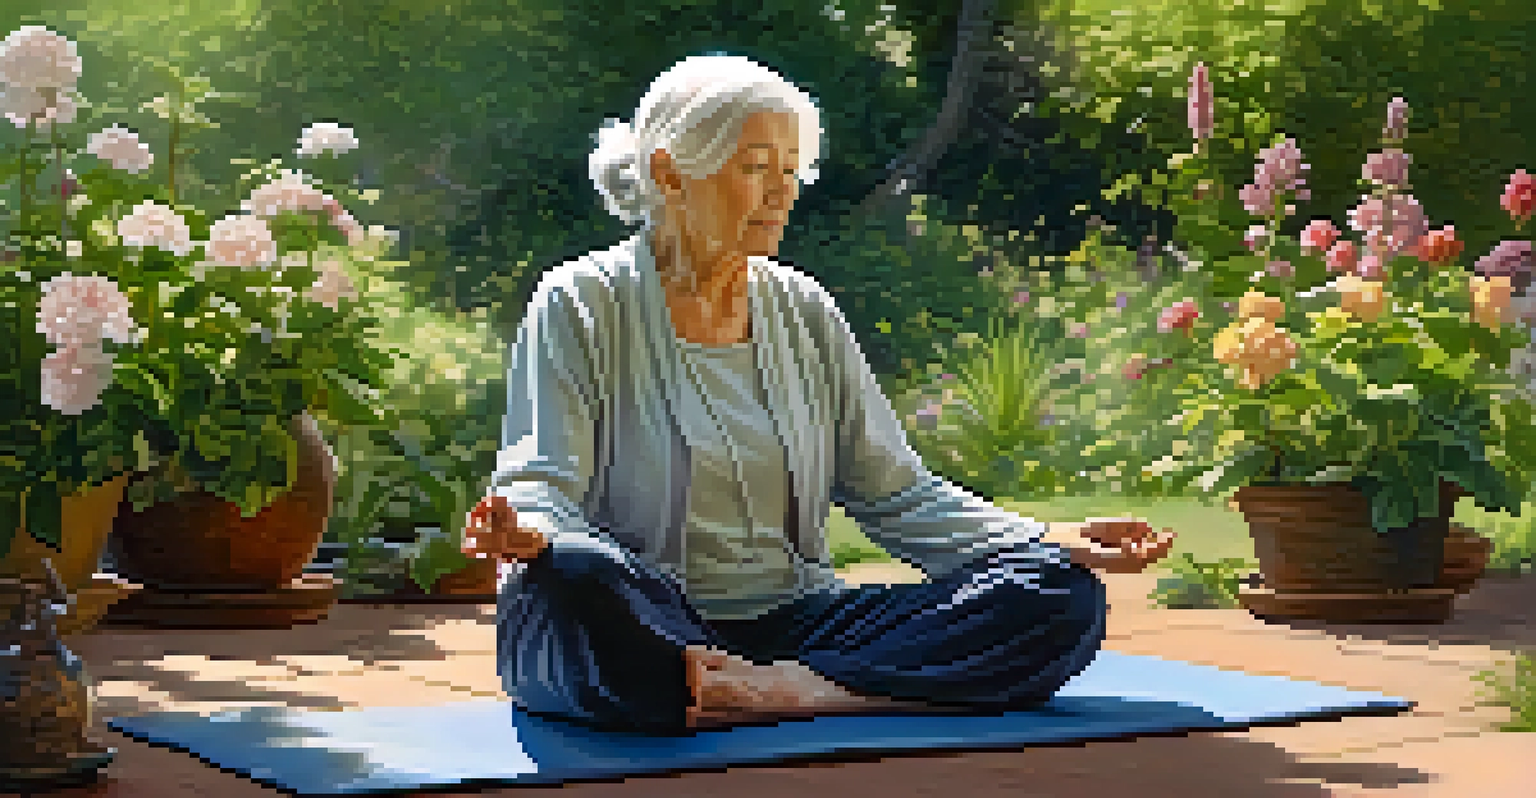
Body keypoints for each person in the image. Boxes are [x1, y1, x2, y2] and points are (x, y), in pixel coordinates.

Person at [464, 54, 1175, 735]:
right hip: (646, 614)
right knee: (578, 582)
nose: (783, 191)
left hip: (794, 625)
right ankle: (747, 681)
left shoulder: (804, 310)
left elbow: (895, 494)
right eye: (753, 168)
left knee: (1059, 596)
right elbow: (540, 484)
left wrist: (1047, 538)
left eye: (789, 169)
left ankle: (796, 691)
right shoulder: (581, 301)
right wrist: (529, 537)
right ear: (668, 173)